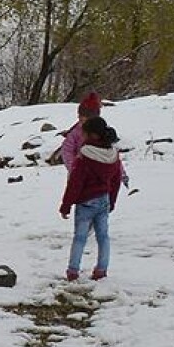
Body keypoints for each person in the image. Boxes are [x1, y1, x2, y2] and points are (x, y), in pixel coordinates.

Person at [59, 116, 123, 282]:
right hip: (104, 200)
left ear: (92, 135)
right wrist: (112, 201)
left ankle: (73, 270)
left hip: (86, 203)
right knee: (103, 237)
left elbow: (75, 183)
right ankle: (101, 269)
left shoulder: (85, 156)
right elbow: (116, 181)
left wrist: (66, 205)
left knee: (80, 237)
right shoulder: (114, 155)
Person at [61, 91, 129, 188]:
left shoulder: (101, 133)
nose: (79, 117)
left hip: (100, 175)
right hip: (80, 175)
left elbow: (112, 155)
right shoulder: (75, 133)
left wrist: (121, 174)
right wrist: (74, 169)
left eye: (83, 116)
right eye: (79, 115)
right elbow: (66, 151)